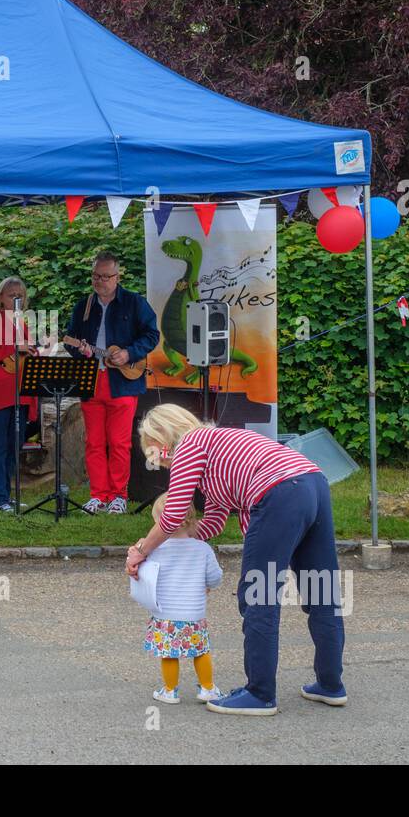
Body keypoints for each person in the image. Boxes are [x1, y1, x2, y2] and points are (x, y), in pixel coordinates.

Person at [127, 403, 345, 716]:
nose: (161, 463)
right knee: (320, 589)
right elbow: (212, 524)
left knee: (257, 597)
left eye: (155, 453)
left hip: (279, 493)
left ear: (163, 440)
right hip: (312, 483)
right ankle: (330, 684)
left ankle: (260, 694)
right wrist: (174, 546)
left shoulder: (189, 444)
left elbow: (173, 513)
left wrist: (142, 549)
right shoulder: (215, 451)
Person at [65, 251, 160, 514]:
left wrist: (129, 353)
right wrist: (80, 350)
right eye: (96, 276)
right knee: (93, 442)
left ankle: (118, 495)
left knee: (119, 442)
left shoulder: (134, 303)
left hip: (124, 382)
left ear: (117, 277)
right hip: (92, 380)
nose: (100, 281)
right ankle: (98, 495)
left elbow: (152, 335)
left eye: (106, 276)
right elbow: (70, 339)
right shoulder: (83, 305)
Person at [140, 494, 223, 705]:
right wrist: (207, 587)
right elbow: (215, 577)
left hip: (165, 613)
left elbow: (145, 573)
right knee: (201, 651)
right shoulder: (203, 548)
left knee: (169, 654)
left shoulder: (155, 550)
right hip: (194, 613)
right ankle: (207, 688)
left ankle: (170, 690)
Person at [0, 277, 40, 511]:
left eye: (20, 295)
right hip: (0, 392)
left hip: (20, 392)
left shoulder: (21, 323)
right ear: (1, 298)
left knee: (15, 445)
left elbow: (22, 355)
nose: (17, 299)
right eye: (12, 294)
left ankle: (7, 495)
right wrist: (16, 347)